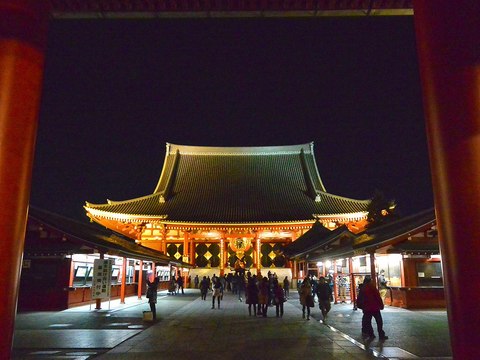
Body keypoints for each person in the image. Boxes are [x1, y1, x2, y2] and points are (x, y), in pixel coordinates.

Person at [356, 276, 388, 340]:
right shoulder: (373, 288)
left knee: (368, 322)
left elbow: (359, 298)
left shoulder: (363, 288)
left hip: (367, 308)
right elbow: (377, 297)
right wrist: (381, 305)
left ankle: (371, 334)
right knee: (379, 321)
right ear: (370, 281)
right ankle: (381, 334)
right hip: (375, 307)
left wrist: (360, 305)